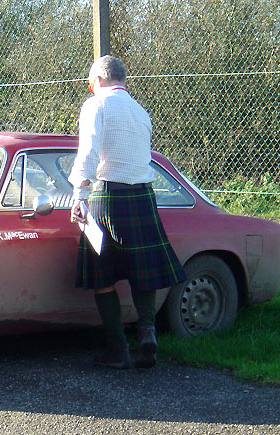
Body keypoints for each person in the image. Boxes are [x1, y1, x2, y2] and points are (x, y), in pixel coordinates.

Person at [68, 55, 187, 369]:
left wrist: (79, 194)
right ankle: (147, 333)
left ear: (100, 79)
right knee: (141, 270)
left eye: (90, 82)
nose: (90, 87)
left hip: (107, 195)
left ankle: (118, 350)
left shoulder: (96, 105)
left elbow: (89, 151)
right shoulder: (140, 111)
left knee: (102, 274)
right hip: (143, 197)